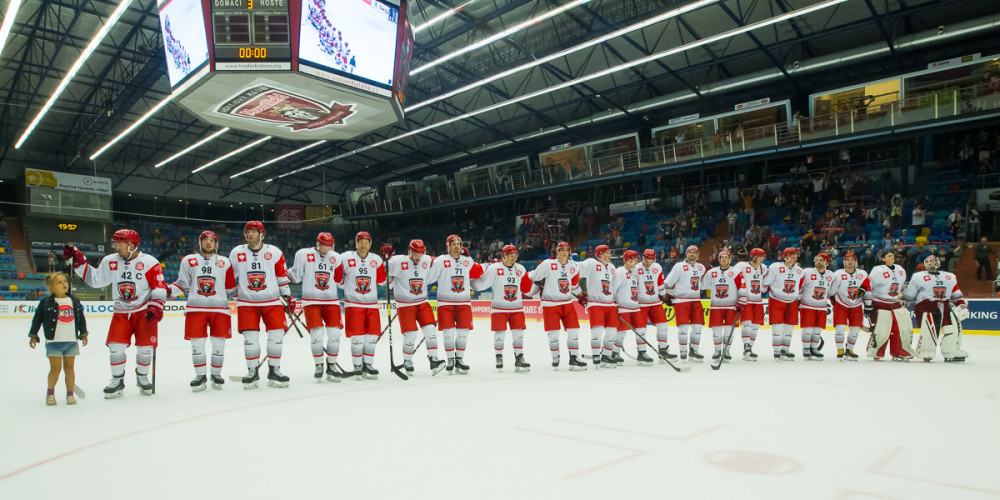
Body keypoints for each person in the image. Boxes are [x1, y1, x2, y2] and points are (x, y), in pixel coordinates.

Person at [66, 229, 166, 398]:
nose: (116, 247)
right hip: (121, 311)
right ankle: (117, 380)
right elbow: (96, 280)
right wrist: (80, 264)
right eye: (115, 243)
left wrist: (156, 305)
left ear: (132, 245)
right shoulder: (110, 260)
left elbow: (159, 286)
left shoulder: (149, 262)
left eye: (119, 244)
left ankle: (142, 377)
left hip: (144, 310)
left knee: (145, 348)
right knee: (116, 347)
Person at [168, 231, 236, 391]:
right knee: (197, 345)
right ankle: (200, 375)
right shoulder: (189, 260)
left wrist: (249, 299)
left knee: (219, 345)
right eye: (205, 240)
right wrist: (167, 291)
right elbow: (182, 284)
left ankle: (216, 374)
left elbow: (231, 288)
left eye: (212, 241)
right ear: (200, 243)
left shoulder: (225, 262)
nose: (208, 243)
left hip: (220, 309)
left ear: (216, 244)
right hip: (195, 309)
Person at [229, 221, 293, 388]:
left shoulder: (274, 252)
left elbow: (281, 277)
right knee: (250, 338)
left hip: (272, 301)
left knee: (276, 336)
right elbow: (229, 278)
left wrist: (287, 297)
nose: (250, 234)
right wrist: (235, 297)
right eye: (248, 231)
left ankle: (274, 370)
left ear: (261, 234)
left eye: (254, 231)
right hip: (247, 303)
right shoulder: (236, 252)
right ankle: (252, 372)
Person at [287, 232, 346, 382]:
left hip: (331, 301)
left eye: (329, 246)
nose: (326, 250)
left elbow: (339, 280)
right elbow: (295, 276)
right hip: (311, 301)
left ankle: (331, 365)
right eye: (324, 246)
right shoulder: (303, 254)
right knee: (317, 335)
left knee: (335, 334)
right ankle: (319, 365)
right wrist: (277, 276)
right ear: (318, 244)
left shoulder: (337, 257)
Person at [388, 239, 445, 375]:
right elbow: (383, 273)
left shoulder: (427, 260)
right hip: (405, 304)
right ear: (410, 251)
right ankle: (407, 361)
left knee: (431, 330)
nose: (418, 257)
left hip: (422, 302)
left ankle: (434, 360)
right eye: (416, 254)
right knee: (411, 334)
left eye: (421, 254)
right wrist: (385, 258)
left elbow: (441, 262)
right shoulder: (397, 261)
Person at [28, 273, 88, 406]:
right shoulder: (45, 302)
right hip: (54, 342)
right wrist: (33, 335)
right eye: (59, 282)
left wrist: (83, 333)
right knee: (55, 369)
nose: (64, 284)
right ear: (51, 287)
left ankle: (70, 394)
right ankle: (50, 393)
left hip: (71, 341)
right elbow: (37, 320)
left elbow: (81, 318)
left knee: (70, 368)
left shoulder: (74, 301)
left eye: (64, 281)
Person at [427, 234, 483, 374]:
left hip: (464, 302)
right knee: (449, 333)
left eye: (459, 244)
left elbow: (478, 273)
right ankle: (450, 360)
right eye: (454, 244)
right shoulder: (440, 261)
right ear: (448, 246)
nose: (457, 247)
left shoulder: (466, 260)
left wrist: (471, 260)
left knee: (463, 333)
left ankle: (459, 360)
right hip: (445, 303)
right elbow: (429, 278)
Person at [473, 244, 533, 372]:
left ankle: (519, 358)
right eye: (511, 255)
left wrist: (530, 280)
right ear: (504, 255)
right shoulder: (495, 268)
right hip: (499, 308)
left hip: (517, 308)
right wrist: (470, 283)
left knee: (519, 335)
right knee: (499, 335)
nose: (514, 257)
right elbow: (482, 283)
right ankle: (499, 357)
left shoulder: (520, 269)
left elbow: (527, 288)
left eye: (515, 254)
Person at [528, 241, 585, 370]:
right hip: (550, 304)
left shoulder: (574, 266)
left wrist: (582, 296)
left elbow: (574, 285)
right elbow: (534, 276)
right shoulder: (548, 264)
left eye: (567, 250)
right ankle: (555, 357)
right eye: (561, 250)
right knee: (553, 334)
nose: (565, 252)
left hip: (567, 303)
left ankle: (574, 358)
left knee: (574, 331)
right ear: (556, 252)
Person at [904, 255, 970, 362]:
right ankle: (926, 351)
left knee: (951, 328)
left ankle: (949, 351)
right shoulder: (918, 277)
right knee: (929, 330)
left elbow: (956, 293)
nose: (930, 264)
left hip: (945, 306)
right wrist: (904, 305)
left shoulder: (949, 277)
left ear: (938, 263)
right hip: (926, 306)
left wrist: (962, 305)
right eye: (928, 262)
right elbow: (909, 295)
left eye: (932, 261)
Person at [339, 231, 387, 379]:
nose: (363, 245)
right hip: (353, 304)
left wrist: (387, 262)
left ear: (370, 244)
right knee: (357, 337)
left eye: (366, 242)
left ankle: (368, 364)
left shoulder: (377, 259)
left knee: (372, 336)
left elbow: (382, 281)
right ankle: (357, 365)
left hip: (372, 304)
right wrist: (349, 288)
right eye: (361, 242)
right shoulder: (345, 258)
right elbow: (338, 279)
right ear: (356, 243)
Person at [606, 250, 653, 367]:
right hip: (623, 307)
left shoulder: (634, 273)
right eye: (636, 259)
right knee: (621, 332)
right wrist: (613, 305)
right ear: (629, 260)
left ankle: (642, 353)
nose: (637, 262)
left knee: (641, 330)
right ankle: (614, 353)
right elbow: (613, 289)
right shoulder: (620, 272)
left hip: (635, 307)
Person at [866, 251, 913, 361]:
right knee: (882, 328)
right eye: (889, 256)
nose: (892, 257)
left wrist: (906, 299)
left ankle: (898, 350)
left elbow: (902, 288)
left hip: (894, 303)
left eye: (893, 255)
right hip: (879, 302)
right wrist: (868, 304)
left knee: (900, 327)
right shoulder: (878, 271)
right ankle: (876, 350)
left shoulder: (900, 270)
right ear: (883, 259)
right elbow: (869, 287)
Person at [576, 244, 618, 367]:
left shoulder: (612, 267)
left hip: (610, 304)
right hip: (596, 303)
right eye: (607, 252)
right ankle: (595, 355)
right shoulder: (592, 263)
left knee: (612, 331)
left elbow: (615, 286)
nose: (610, 255)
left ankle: (606, 355)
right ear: (600, 255)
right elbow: (576, 268)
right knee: (597, 331)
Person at [663, 245, 707, 362]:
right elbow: (667, 283)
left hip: (696, 301)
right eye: (690, 252)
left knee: (697, 328)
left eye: (694, 252)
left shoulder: (701, 267)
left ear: (697, 254)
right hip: (681, 301)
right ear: (686, 253)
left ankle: (694, 351)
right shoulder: (679, 266)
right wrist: (663, 295)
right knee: (683, 329)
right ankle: (683, 352)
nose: (692, 254)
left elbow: (703, 284)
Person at [701, 250, 746, 363]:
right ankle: (717, 351)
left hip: (731, 306)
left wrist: (741, 302)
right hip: (716, 306)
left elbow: (742, 288)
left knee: (729, 331)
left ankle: (726, 351)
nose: (724, 259)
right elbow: (702, 286)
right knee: (716, 331)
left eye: (726, 257)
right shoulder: (712, 272)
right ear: (719, 259)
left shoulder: (736, 272)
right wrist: (704, 274)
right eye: (722, 257)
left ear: (730, 259)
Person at [763, 247, 804, 361]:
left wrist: (798, 298)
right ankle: (777, 351)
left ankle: (785, 349)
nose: (795, 258)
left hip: (792, 301)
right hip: (776, 300)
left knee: (789, 327)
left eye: (796, 256)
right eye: (793, 256)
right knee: (778, 326)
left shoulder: (799, 270)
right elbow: (766, 281)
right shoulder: (775, 267)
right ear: (786, 257)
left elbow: (799, 286)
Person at [637, 248, 677, 362]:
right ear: (643, 258)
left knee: (663, 325)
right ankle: (641, 353)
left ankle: (663, 351)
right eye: (646, 260)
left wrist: (665, 297)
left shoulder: (658, 267)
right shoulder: (636, 268)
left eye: (650, 261)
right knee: (641, 328)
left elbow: (660, 285)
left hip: (655, 302)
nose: (648, 263)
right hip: (641, 303)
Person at [830, 252, 869, 361]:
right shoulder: (838, 274)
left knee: (855, 329)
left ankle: (850, 349)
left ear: (856, 262)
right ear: (844, 262)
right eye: (848, 260)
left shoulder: (863, 274)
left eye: (852, 260)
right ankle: (840, 350)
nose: (850, 262)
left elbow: (867, 288)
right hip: (841, 304)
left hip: (857, 304)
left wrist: (868, 304)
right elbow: (832, 291)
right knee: (840, 328)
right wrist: (832, 299)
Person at [798, 253, 835, 360]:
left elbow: (831, 291)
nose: (818, 262)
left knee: (818, 329)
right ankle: (806, 349)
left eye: (821, 260)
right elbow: (799, 285)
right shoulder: (807, 272)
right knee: (808, 329)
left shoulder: (831, 275)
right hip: (807, 305)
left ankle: (814, 348)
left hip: (822, 306)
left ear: (827, 262)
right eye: (817, 259)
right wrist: (798, 299)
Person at [735, 248, 767, 361]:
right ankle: (746, 346)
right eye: (760, 256)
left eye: (763, 256)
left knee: (755, 326)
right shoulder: (741, 266)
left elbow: (764, 284)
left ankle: (750, 348)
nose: (762, 259)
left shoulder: (763, 268)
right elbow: (734, 278)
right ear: (754, 257)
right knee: (747, 324)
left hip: (758, 301)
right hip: (746, 300)